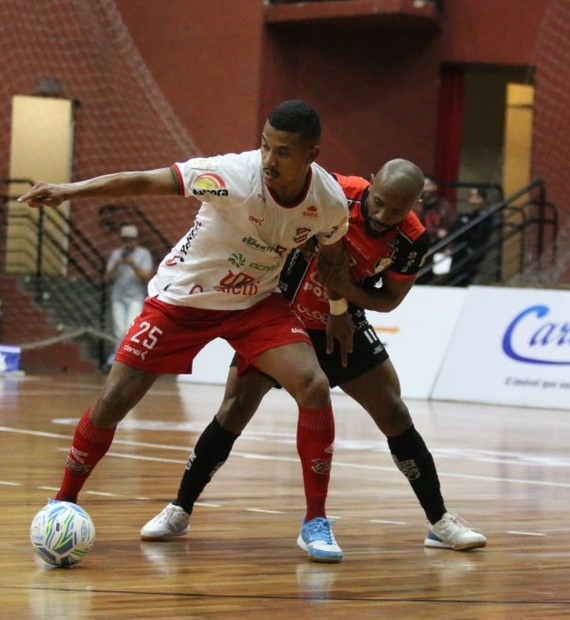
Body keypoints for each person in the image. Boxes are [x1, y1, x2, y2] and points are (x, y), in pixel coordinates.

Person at [18, 100, 351, 560]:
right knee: (113, 399)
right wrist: (70, 191)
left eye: (284, 152)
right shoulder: (232, 175)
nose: (270, 160)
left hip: (254, 302)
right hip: (182, 300)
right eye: (265, 146)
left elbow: (333, 255)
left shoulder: (329, 201)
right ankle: (64, 501)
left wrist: (338, 308)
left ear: (311, 155)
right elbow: (146, 180)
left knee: (313, 386)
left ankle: (315, 520)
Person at [140, 159, 487, 560]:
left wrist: (344, 298)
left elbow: (389, 301)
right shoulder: (337, 192)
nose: (381, 215)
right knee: (235, 407)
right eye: (378, 203)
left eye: (395, 210)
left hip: (343, 325)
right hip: (280, 314)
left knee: (393, 411)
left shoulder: (412, 239)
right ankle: (180, 509)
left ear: (416, 203)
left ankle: (440, 521)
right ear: (371, 184)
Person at [104, 224, 153, 370]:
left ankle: (122, 359)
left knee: (130, 328)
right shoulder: (116, 254)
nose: (129, 243)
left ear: (136, 240)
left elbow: (146, 276)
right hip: (118, 296)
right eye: (126, 240)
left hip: (135, 297)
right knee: (119, 329)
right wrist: (116, 265)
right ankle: (119, 359)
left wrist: (133, 265)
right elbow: (108, 277)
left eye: (131, 240)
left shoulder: (143, 254)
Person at [448, 187, 494, 286]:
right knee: (453, 278)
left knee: (467, 279)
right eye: (471, 196)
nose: (473, 200)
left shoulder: (486, 217)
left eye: (476, 197)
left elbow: (478, 234)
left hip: (473, 253)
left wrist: (465, 232)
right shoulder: (463, 215)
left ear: (483, 200)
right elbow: (453, 230)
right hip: (458, 252)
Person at [414, 173, 454, 245]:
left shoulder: (444, 205)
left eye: (427, 186)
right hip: (419, 244)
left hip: (440, 244)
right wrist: (435, 232)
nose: (425, 189)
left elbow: (451, 226)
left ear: (434, 187)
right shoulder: (415, 206)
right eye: (422, 186)